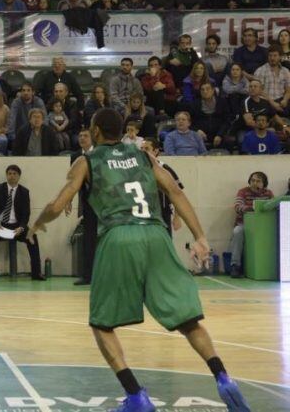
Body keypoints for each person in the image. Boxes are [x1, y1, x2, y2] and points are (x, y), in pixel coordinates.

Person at [32, 107, 250, 412]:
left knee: (102, 323)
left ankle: (136, 396)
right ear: (121, 132)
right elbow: (174, 191)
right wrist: (200, 236)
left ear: (95, 132)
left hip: (119, 237)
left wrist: (39, 222)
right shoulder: (144, 156)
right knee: (189, 321)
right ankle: (224, 378)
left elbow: (58, 204)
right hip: (156, 235)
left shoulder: (87, 160)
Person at [0, 165, 44, 281]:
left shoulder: (24, 192)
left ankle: (36, 273)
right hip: (0, 224)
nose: (12, 176)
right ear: (6, 175)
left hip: (16, 225)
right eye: (9, 173)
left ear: (19, 176)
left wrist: (22, 228)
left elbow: (26, 214)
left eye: (14, 174)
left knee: (33, 238)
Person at [228, 172, 273, 278]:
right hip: (244, 225)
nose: (254, 183)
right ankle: (235, 266)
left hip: (263, 226)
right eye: (252, 180)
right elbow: (237, 207)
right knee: (237, 231)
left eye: (258, 181)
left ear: (264, 183)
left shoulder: (269, 194)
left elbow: (273, 207)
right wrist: (254, 207)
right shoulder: (243, 192)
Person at [68, 129, 96, 285]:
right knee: (89, 239)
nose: (82, 138)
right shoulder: (75, 157)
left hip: (104, 203)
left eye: (85, 135)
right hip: (87, 203)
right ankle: (88, 275)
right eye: (79, 135)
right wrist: (69, 200)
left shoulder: (99, 154)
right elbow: (73, 182)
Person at [141, 138, 184, 237]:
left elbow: (178, 193)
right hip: (142, 216)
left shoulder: (165, 169)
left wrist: (177, 217)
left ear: (155, 151)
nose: (143, 152)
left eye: (146, 149)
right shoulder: (135, 170)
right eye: (141, 149)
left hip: (162, 215)